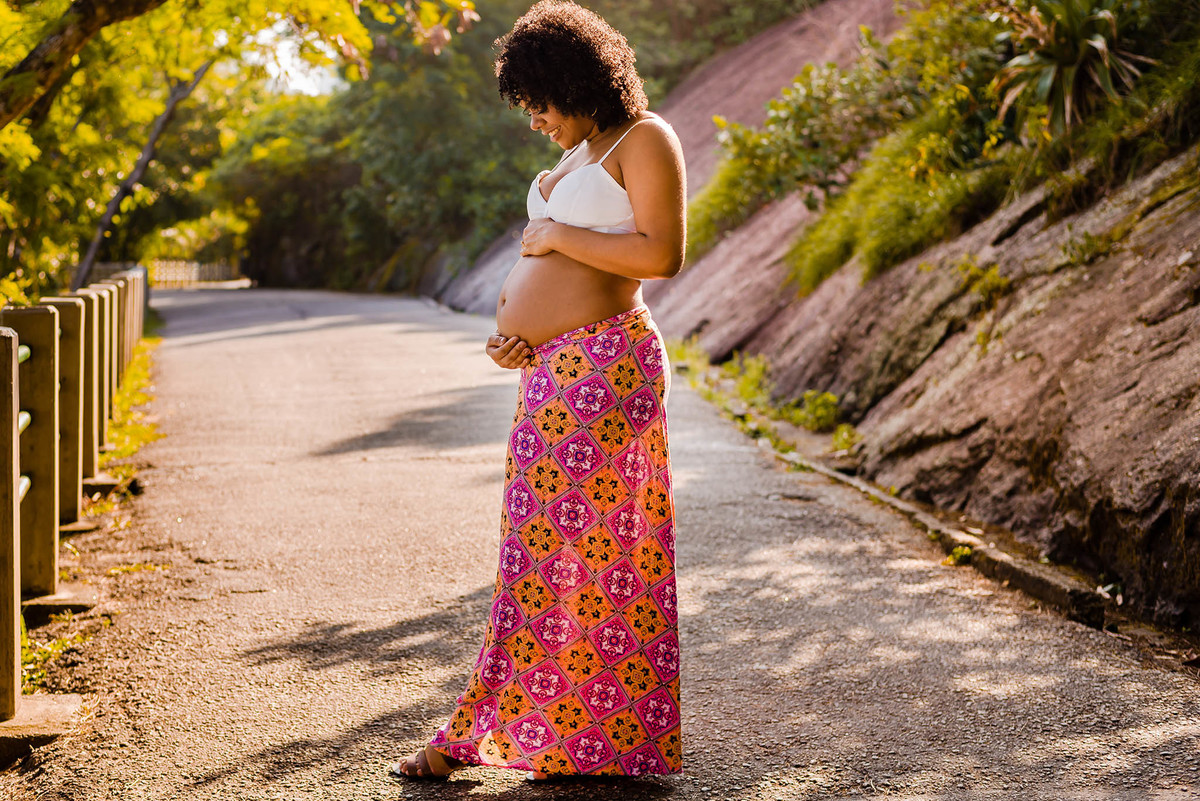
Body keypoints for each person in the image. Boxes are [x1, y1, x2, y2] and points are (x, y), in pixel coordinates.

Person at [392, 0, 685, 780]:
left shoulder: (644, 138)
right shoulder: (573, 160)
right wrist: (514, 338)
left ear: (578, 81)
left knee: (570, 549)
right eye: (527, 107)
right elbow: (558, 275)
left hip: (608, 365)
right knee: (554, 549)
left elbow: (661, 253)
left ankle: (472, 735)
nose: (536, 121)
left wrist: (556, 236)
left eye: (541, 102)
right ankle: (576, 731)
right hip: (553, 370)